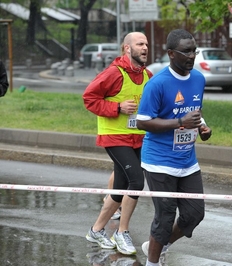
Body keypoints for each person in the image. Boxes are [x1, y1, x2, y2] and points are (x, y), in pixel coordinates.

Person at [136, 29, 212, 266]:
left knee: (194, 214)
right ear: (171, 53)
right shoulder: (157, 84)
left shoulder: (198, 79)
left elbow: (193, 111)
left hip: (187, 160)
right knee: (165, 216)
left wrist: (203, 127)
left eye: (194, 51)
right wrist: (180, 122)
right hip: (159, 161)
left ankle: (157, 245)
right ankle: (153, 262)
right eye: (186, 51)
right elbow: (142, 122)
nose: (192, 56)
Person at [83, 31, 153, 255]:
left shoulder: (147, 75)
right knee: (136, 181)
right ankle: (122, 232)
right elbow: (89, 98)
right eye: (139, 44)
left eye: (146, 44)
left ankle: (96, 230)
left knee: (120, 185)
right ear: (127, 48)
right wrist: (117, 108)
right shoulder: (114, 73)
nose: (145, 48)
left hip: (137, 138)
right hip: (114, 137)